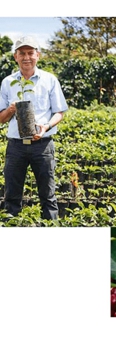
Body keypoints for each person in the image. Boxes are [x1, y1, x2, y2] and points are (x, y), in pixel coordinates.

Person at [0, 35, 68, 220]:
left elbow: (60, 112)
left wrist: (46, 126)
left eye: (30, 53)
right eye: (22, 53)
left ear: (38, 55)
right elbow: (1, 119)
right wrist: (11, 109)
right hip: (16, 146)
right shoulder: (8, 82)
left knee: (48, 195)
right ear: (15, 56)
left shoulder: (49, 80)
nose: (26, 57)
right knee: (11, 195)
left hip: (42, 145)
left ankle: (50, 227)